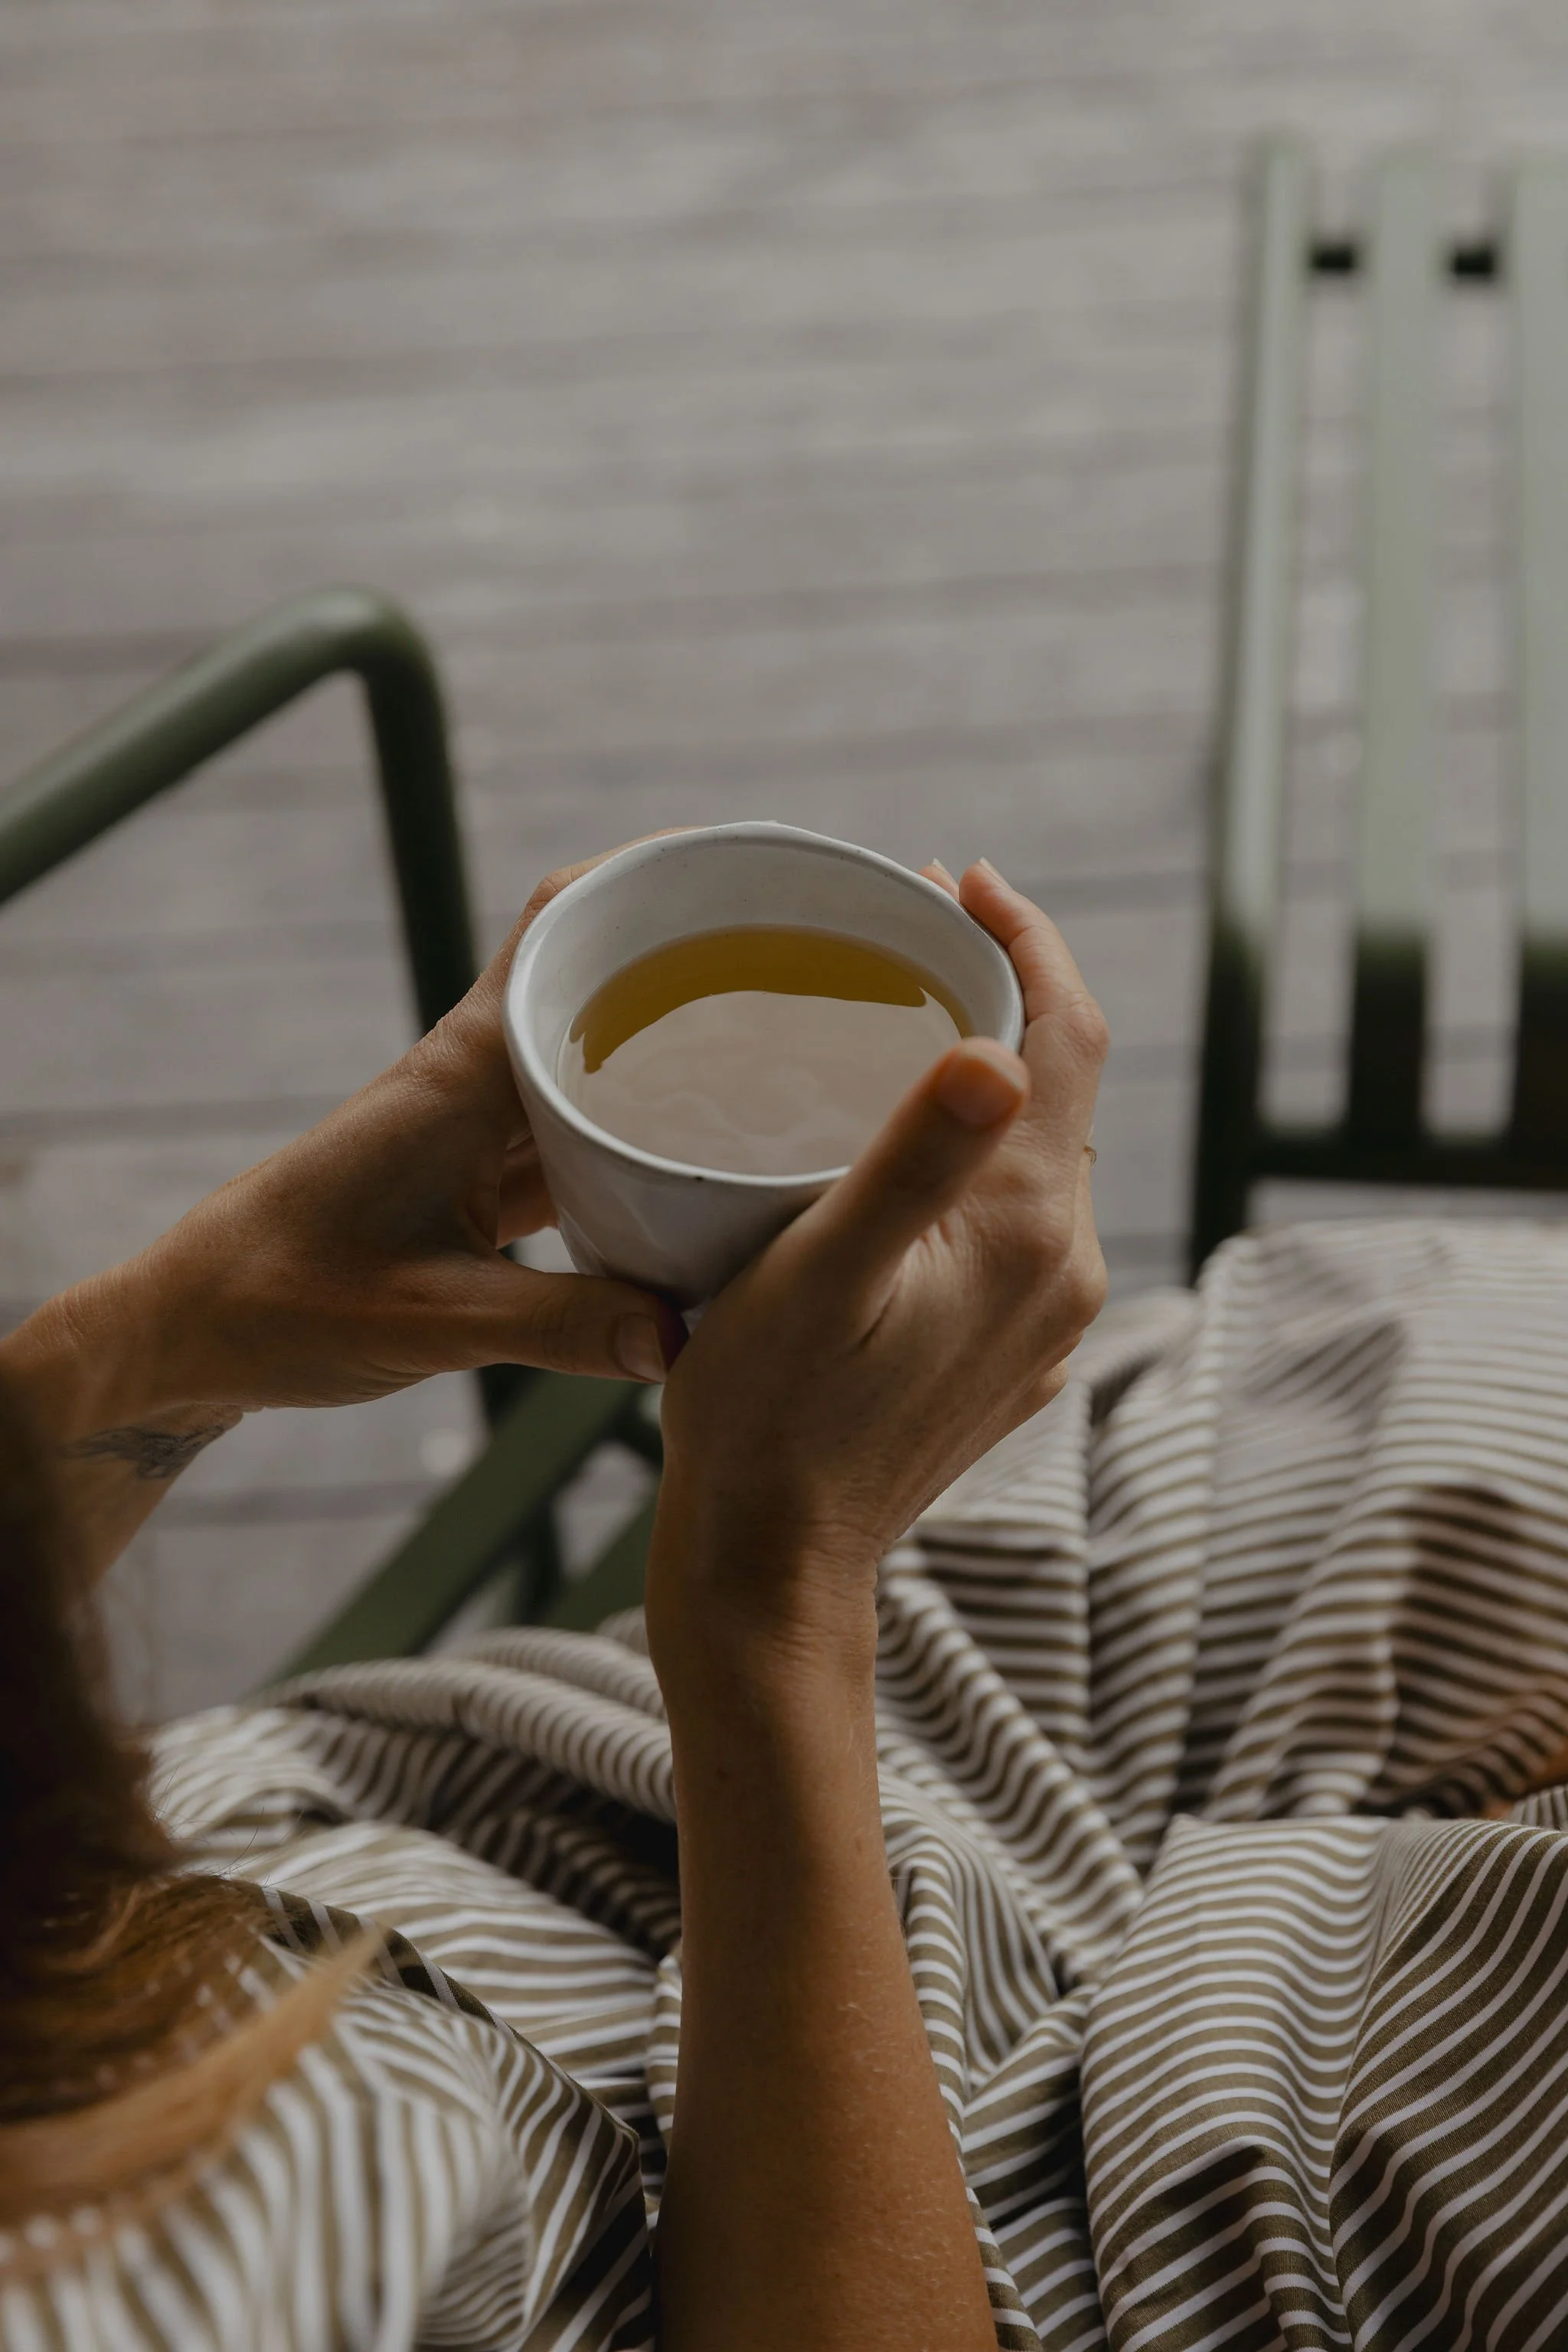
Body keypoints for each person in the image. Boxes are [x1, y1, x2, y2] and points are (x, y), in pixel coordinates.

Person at [7, 851, 1568, 2352]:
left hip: (610, 1810)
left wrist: (177, 1333)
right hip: (977, 2200)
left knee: (1437, 1354)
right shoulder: (173, 2265)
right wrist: (768, 1599)